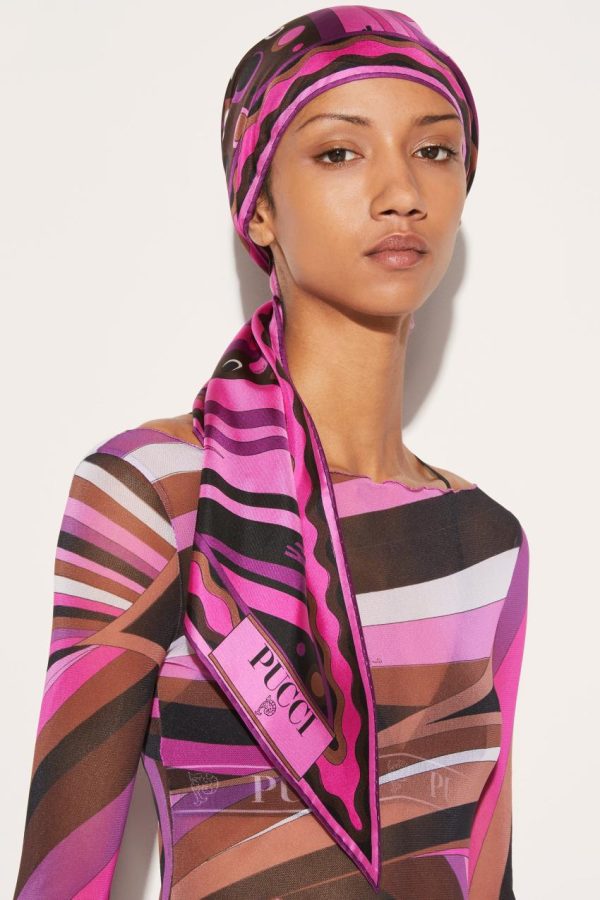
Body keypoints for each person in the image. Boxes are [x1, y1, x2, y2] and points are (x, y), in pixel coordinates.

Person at [13, 6, 529, 898]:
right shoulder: (159, 496)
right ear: (257, 209)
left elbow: (487, 871)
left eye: (434, 150)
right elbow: (63, 878)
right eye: (340, 152)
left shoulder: (486, 541)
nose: (400, 191)